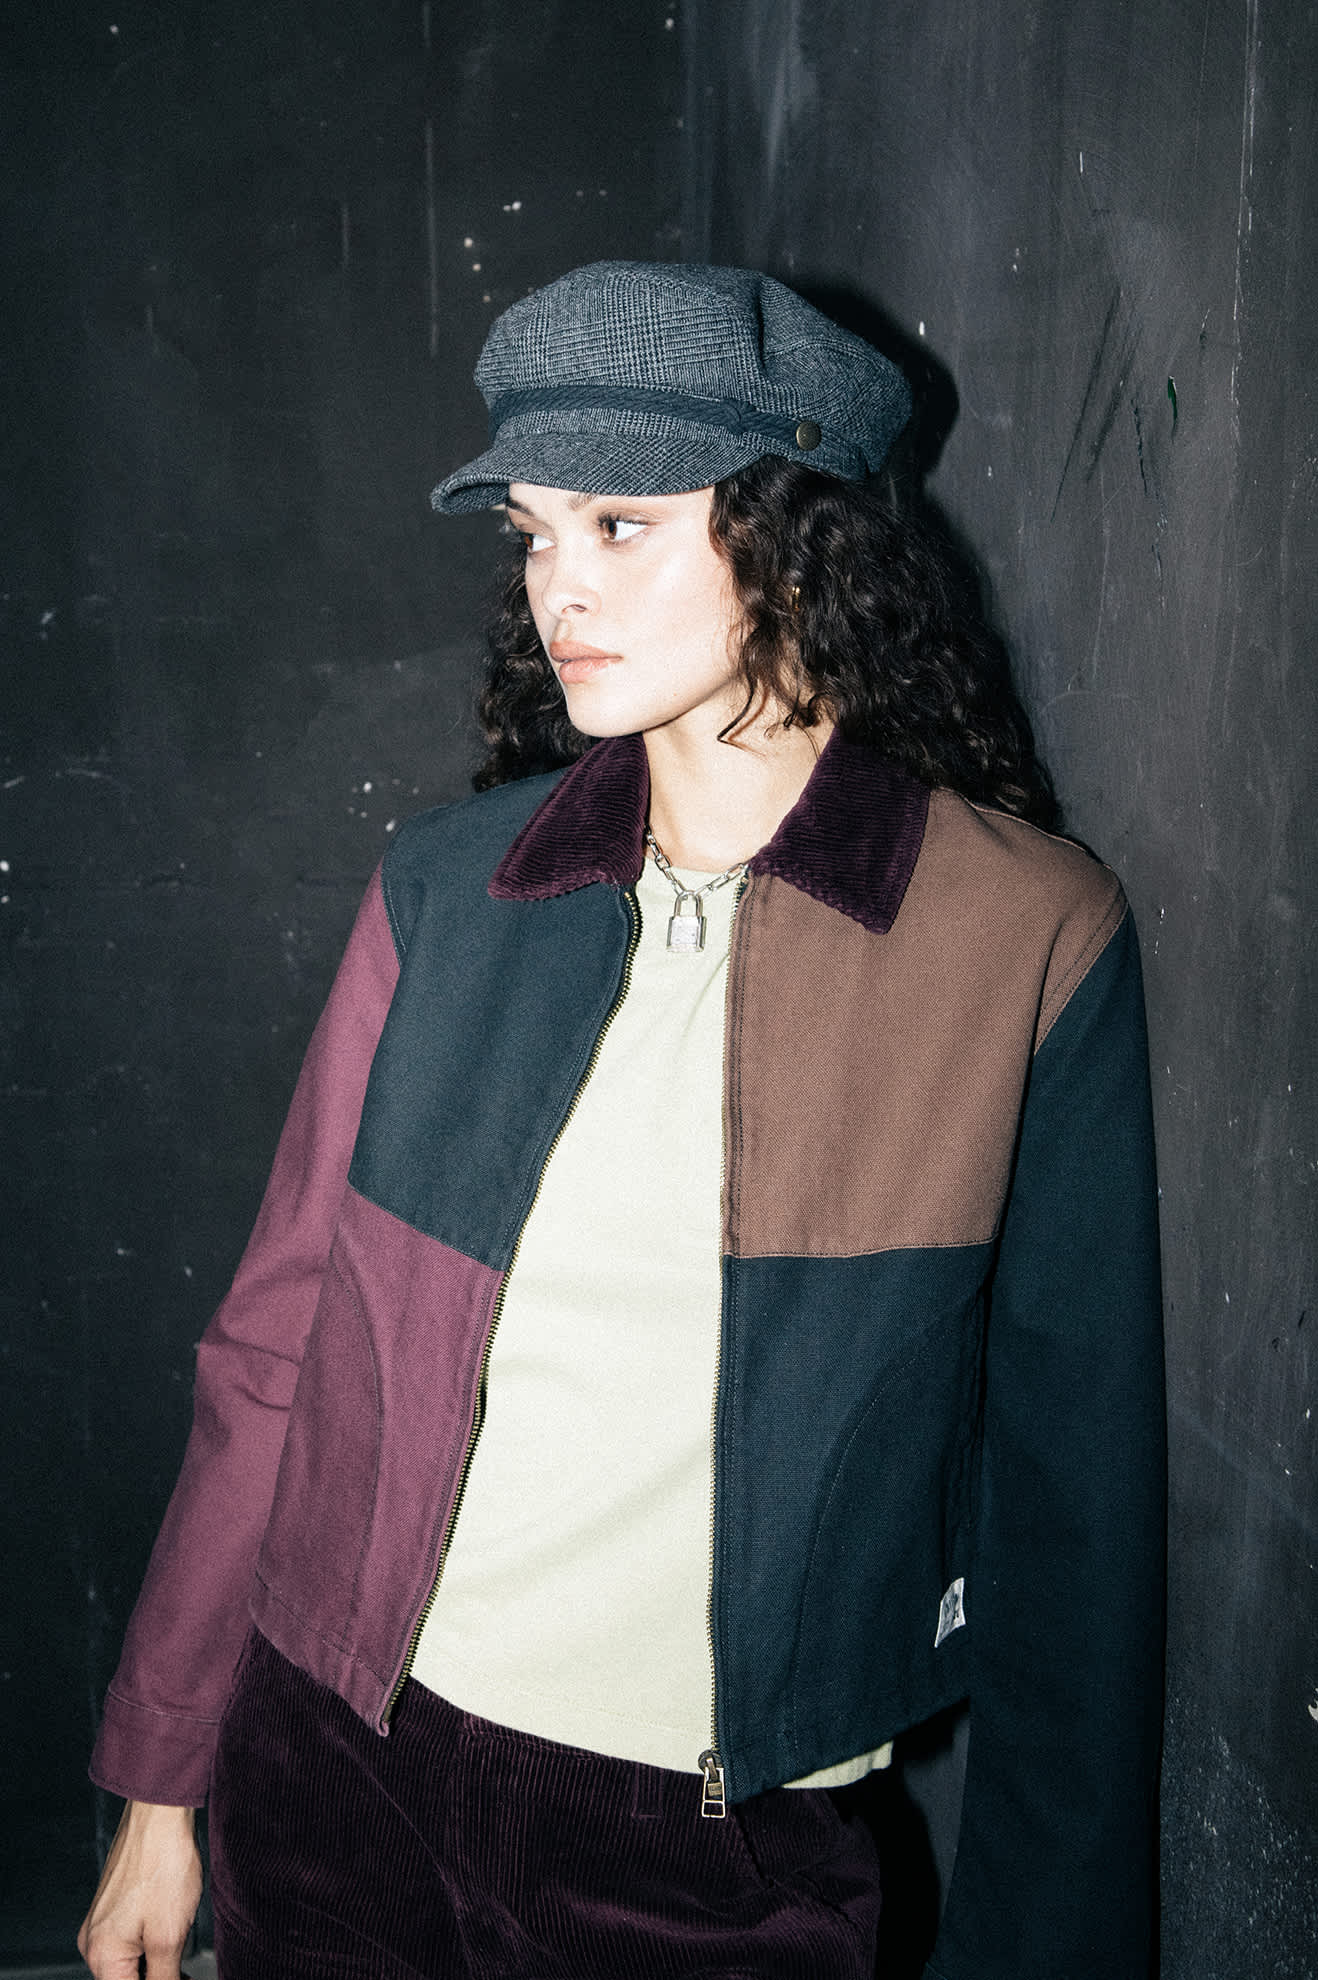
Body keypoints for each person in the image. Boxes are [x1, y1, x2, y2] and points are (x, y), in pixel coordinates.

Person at [78, 262, 1166, 1980]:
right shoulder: (452, 888)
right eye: (532, 531)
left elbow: (1070, 1515)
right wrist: (162, 1778)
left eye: (618, 524)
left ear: (798, 537)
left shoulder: (1019, 934)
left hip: (706, 1856)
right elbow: (276, 1347)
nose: (555, 587)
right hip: (332, 1771)